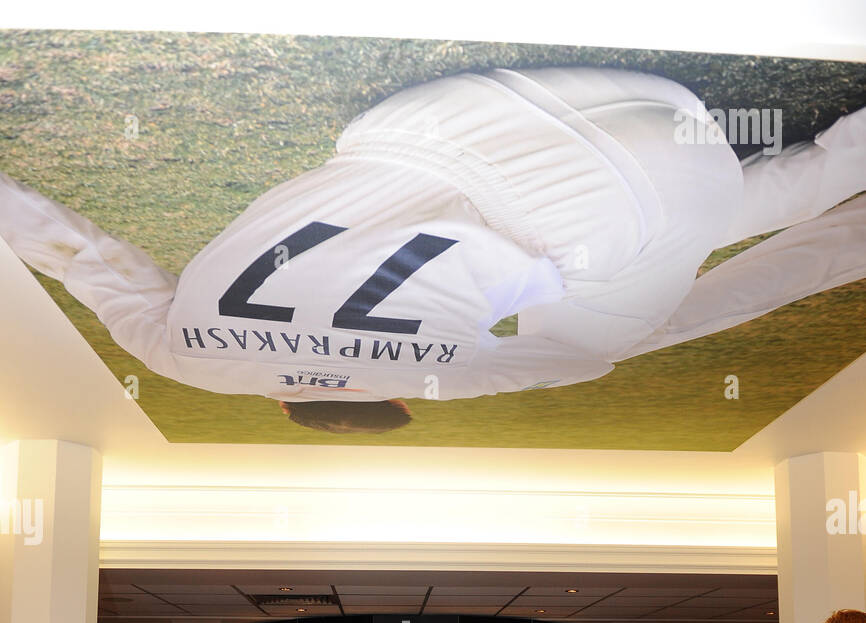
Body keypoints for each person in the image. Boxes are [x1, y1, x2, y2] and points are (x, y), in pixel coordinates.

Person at [3, 69, 866, 430]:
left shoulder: (443, 381)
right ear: (279, 400)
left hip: (643, 174)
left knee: (613, 341)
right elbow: (77, 252)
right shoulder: (179, 359)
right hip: (455, 115)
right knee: (598, 309)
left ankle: (845, 213)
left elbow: (576, 368)